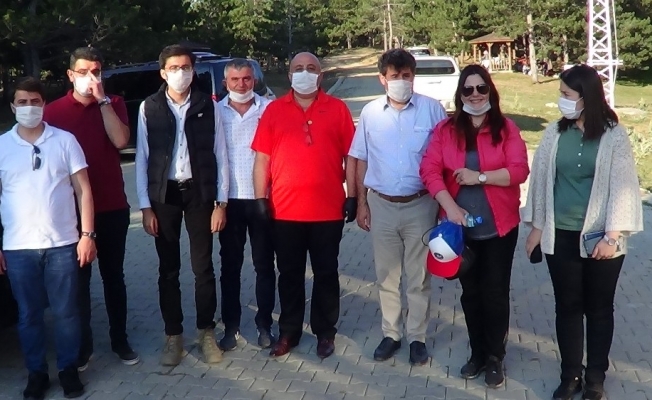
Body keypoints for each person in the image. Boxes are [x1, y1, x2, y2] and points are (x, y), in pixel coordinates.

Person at [522, 64, 643, 400]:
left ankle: (595, 378)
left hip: (601, 238)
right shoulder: (554, 133)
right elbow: (541, 182)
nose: (561, 99)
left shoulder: (613, 136)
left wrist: (612, 236)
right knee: (568, 306)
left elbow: (624, 186)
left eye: (566, 94)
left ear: (586, 97)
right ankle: (570, 376)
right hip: (560, 234)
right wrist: (536, 228)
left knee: (599, 308)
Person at [420, 64, 529, 386]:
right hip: (460, 230)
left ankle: (495, 357)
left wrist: (479, 177)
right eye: (468, 89)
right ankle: (477, 353)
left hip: (499, 228)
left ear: (490, 90)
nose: (475, 94)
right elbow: (429, 170)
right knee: (471, 293)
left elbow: (519, 171)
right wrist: (450, 207)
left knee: (495, 293)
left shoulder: (506, 129)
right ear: (460, 94)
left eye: (481, 88)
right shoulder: (445, 130)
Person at [252, 51, 357, 359]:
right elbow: (262, 159)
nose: (305, 73)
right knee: (289, 275)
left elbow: (352, 156)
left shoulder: (337, 109)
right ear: (289, 75)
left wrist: (353, 195)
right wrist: (260, 199)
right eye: (298, 68)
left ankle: (325, 332)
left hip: (328, 211)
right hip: (284, 211)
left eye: (311, 68)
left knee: (326, 273)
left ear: (321, 76)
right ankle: (289, 332)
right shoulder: (273, 110)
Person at [348, 48, 446, 366]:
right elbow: (360, 159)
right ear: (382, 79)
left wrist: (445, 205)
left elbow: (445, 157)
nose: (401, 81)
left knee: (418, 277)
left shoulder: (432, 110)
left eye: (406, 76)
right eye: (394, 76)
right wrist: (361, 202)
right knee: (387, 276)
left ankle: (417, 337)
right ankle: (391, 334)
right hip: (382, 205)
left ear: (413, 77)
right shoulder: (371, 113)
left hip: (421, 204)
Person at [0, 77, 96, 399]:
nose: (29, 107)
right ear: (12, 106)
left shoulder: (65, 141)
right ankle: (37, 374)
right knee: (28, 316)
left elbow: (83, 190)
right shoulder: (2, 146)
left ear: (44, 104)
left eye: (35, 101)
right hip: (18, 248)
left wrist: (87, 235)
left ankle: (68, 370)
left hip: (62, 244)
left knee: (66, 313)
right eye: (22, 102)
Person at [43, 46, 138, 371]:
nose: (90, 78)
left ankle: (120, 340)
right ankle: (83, 347)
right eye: (83, 72)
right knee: (78, 283)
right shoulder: (53, 112)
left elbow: (121, 141)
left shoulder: (113, 103)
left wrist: (102, 102)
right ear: (71, 75)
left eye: (95, 72)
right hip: (70, 213)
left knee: (114, 278)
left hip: (112, 206)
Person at [135, 44, 229, 366]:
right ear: (163, 73)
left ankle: (206, 332)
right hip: (165, 197)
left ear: (193, 70)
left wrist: (221, 203)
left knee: (203, 268)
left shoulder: (208, 105)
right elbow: (142, 158)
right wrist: (145, 207)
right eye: (173, 68)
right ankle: (173, 335)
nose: (180, 73)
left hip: (199, 194)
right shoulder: (149, 107)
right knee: (168, 270)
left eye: (185, 67)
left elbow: (221, 155)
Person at [216, 59, 276, 351]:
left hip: (262, 199)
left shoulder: (269, 109)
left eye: (247, 79)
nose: (241, 85)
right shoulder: (216, 112)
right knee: (230, 267)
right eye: (235, 79)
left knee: (264, 265)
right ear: (225, 82)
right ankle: (231, 326)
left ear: (255, 80)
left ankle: (265, 325)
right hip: (230, 200)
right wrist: (217, 202)